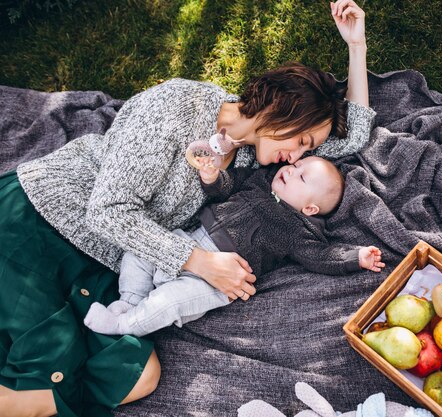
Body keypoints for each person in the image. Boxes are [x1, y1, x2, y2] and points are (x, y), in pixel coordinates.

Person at [0, 2, 371, 416]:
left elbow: (351, 138)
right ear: (280, 111)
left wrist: (357, 47)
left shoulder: (250, 155)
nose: (298, 157)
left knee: (136, 376)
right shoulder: (177, 106)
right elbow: (107, 211)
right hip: (43, 218)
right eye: (302, 142)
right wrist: (200, 262)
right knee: (41, 376)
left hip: (109, 257)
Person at [83, 156, 386, 337]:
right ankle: (130, 298)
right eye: (297, 164)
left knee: (170, 302)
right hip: (188, 240)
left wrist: (355, 256)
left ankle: (123, 325)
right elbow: (225, 187)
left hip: (214, 283)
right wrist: (213, 178)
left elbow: (320, 255)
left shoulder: (295, 230)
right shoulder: (258, 181)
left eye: (301, 176)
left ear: (309, 209)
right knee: (139, 249)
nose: (291, 169)